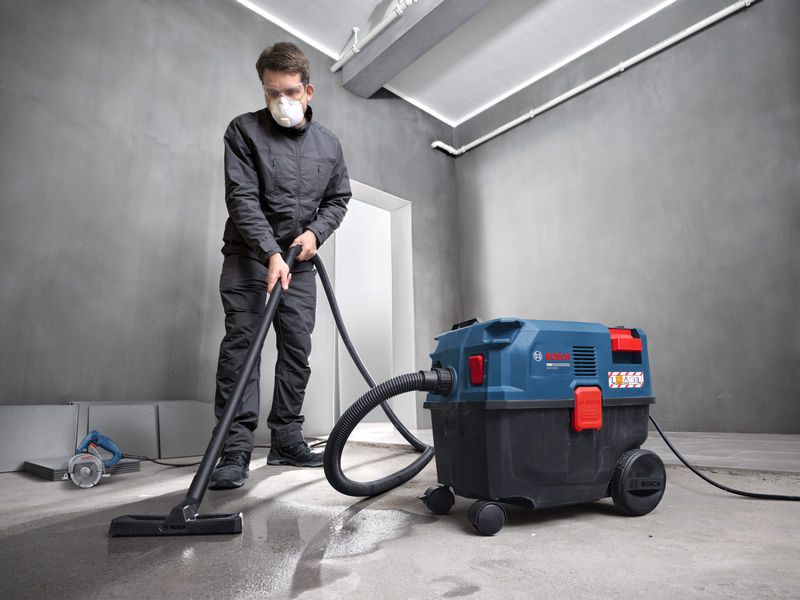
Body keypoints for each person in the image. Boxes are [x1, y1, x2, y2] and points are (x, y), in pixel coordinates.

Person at [209, 42, 351, 489]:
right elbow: (242, 198)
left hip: (301, 263)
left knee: (296, 350)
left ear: (308, 91)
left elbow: (338, 199)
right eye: (271, 93)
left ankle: (287, 440)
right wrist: (271, 252)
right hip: (250, 257)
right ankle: (233, 450)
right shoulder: (243, 131)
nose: (281, 102)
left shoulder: (329, 145)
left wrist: (314, 235)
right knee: (242, 351)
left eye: (289, 92)